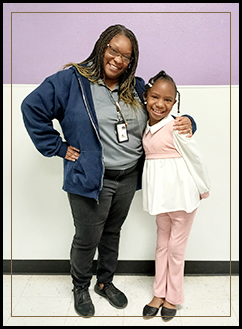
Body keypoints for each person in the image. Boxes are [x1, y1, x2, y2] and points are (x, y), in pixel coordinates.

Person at [21, 24, 196, 317]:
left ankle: (104, 282)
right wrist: (59, 147)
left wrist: (189, 120)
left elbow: (163, 110)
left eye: (126, 56)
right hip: (91, 178)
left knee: (112, 233)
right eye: (113, 50)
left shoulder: (137, 87)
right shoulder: (71, 81)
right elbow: (32, 107)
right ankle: (80, 286)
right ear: (101, 47)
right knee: (87, 237)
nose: (118, 59)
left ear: (132, 61)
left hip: (127, 177)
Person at [141, 70, 210, 321]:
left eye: (168, 100)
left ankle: (174, 297)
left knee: (176, 249)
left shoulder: (178, 125)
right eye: (155, 97)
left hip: (182, 197)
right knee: (161, 245)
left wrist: (203, 187)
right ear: (146, 96)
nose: (160, 104)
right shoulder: (146, 127)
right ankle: (159, 293)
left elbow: (195, 159)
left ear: (175, 101)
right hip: (160, 198)